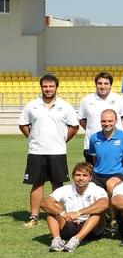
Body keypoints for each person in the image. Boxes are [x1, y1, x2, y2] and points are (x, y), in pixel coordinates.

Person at [19, 74, 80, 227]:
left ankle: (58, 214)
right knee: (37, 184)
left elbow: (74, 127)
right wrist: (32, 137)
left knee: (57, 184)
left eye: (51, 86)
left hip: (57, 151)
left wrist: (62, 140)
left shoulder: (65, 106)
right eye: (45, 86)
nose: (48, 89)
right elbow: (23, 124)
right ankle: (34, 217)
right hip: (36, 151)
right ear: (41, 87)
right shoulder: (32, 105)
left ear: (56, 87)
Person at [42, 162, 108, 252]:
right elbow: (45, 203)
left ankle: (76, 240)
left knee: (97, 213)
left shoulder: (97, 189)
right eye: (78, 175)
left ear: (90, 178)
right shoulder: (66, 189)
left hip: (92, 229)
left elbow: (104, 204)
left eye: (85, 175)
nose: (81, 178)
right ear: (73, 177)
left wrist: (78, 213)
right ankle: (57, 240)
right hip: (70, 224)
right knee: (52, 211)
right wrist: (62, 213)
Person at [79, 72, 123, 163]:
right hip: (92, 145)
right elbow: (82, 120)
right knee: (93, 171)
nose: (103, 86)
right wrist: (94, 130)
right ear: (96, 84)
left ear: (110, 85)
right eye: (100, 83)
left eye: (106, 83)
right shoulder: (86, 100)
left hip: (116, 145)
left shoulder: (121, 100)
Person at [88, 109, 123, 194]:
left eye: (110, 121)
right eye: (103, 121)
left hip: (118, 174)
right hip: (98, 174)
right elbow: (94, 159)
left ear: (116, 121)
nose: (107, 124)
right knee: (88, 188)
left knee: (111, 184)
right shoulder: (94, 138)